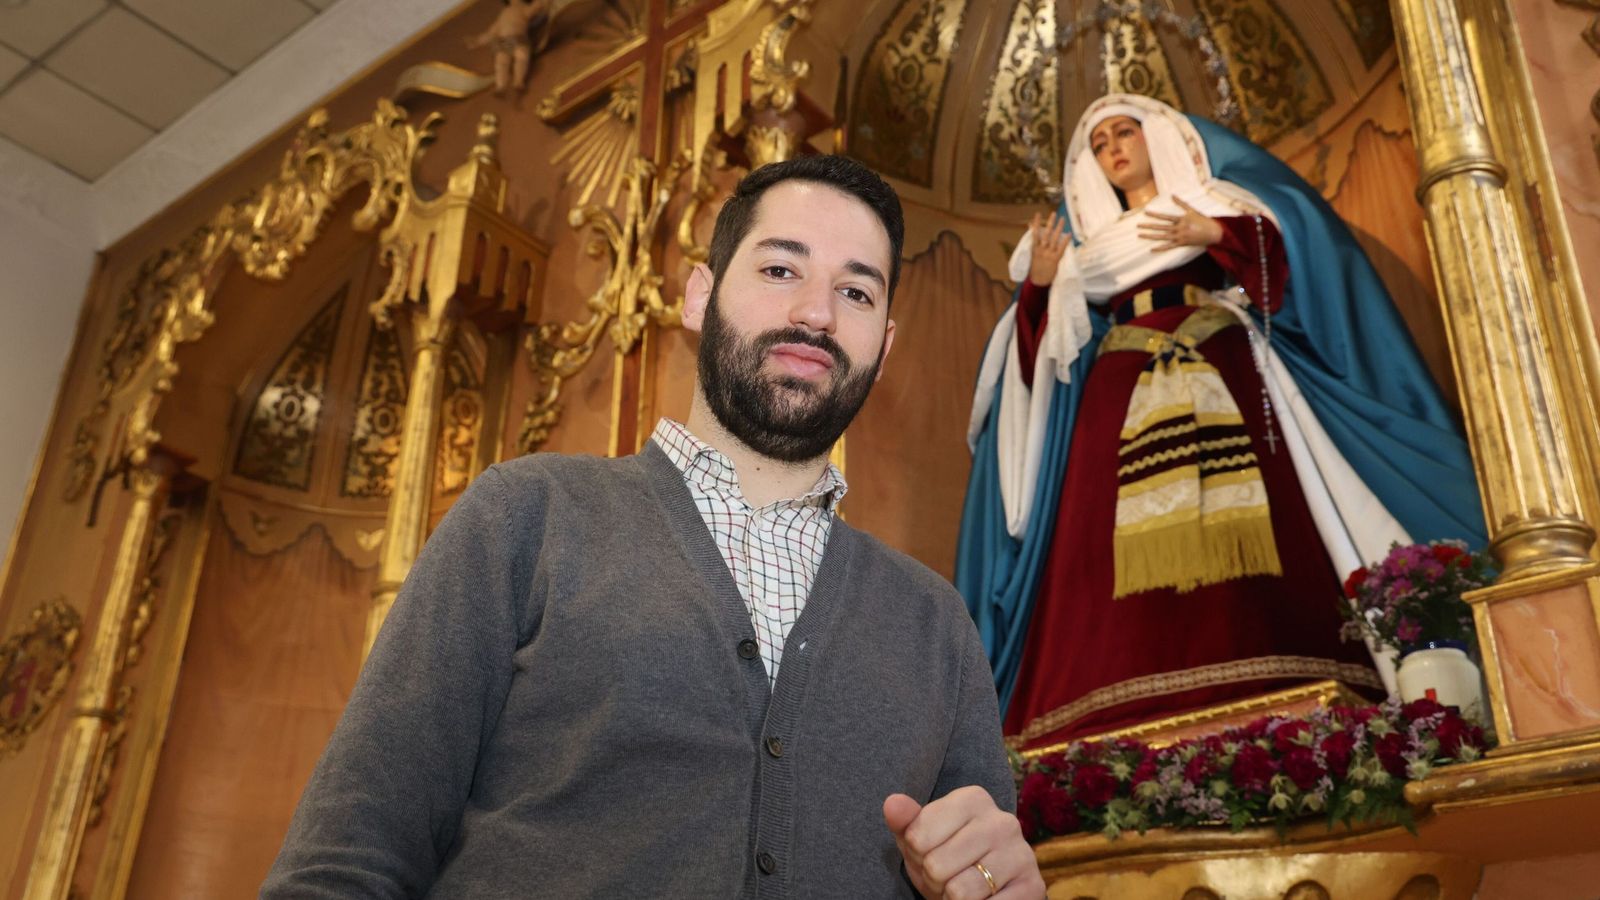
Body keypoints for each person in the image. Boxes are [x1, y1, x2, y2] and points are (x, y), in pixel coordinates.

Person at [262, 156, 1046, 899]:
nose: (815, 312)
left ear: (884, 347)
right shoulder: (527, 517)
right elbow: (348, 857)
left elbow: (982, 870)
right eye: (780, 269)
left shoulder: (937, 623)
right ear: (699, 296)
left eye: (858, 292)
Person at [957, 94, 1486, 749]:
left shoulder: (1217, 203)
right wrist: (1040, 285)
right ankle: (1099, 717)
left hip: (1223, 361)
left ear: (1161, 137)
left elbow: (1296, 271)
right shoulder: (1084, 246)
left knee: (1268, 532)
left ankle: (1301, 688)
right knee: (1098, 552)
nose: (1115, 148)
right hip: (1118, 391)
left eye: (1126, 132)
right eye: (1100, 144)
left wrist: (1217, 236)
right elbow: (1041, 365)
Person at [466, 0, 551, 94]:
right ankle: (501, 85)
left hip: (518, 39)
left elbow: (535, 8)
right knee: (501, 63)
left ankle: (518, 80)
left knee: (521, 58)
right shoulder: (504, 13)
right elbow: (492, 31)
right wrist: (478, 41)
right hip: (503, 41)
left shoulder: (523, 9)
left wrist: (541, 3)